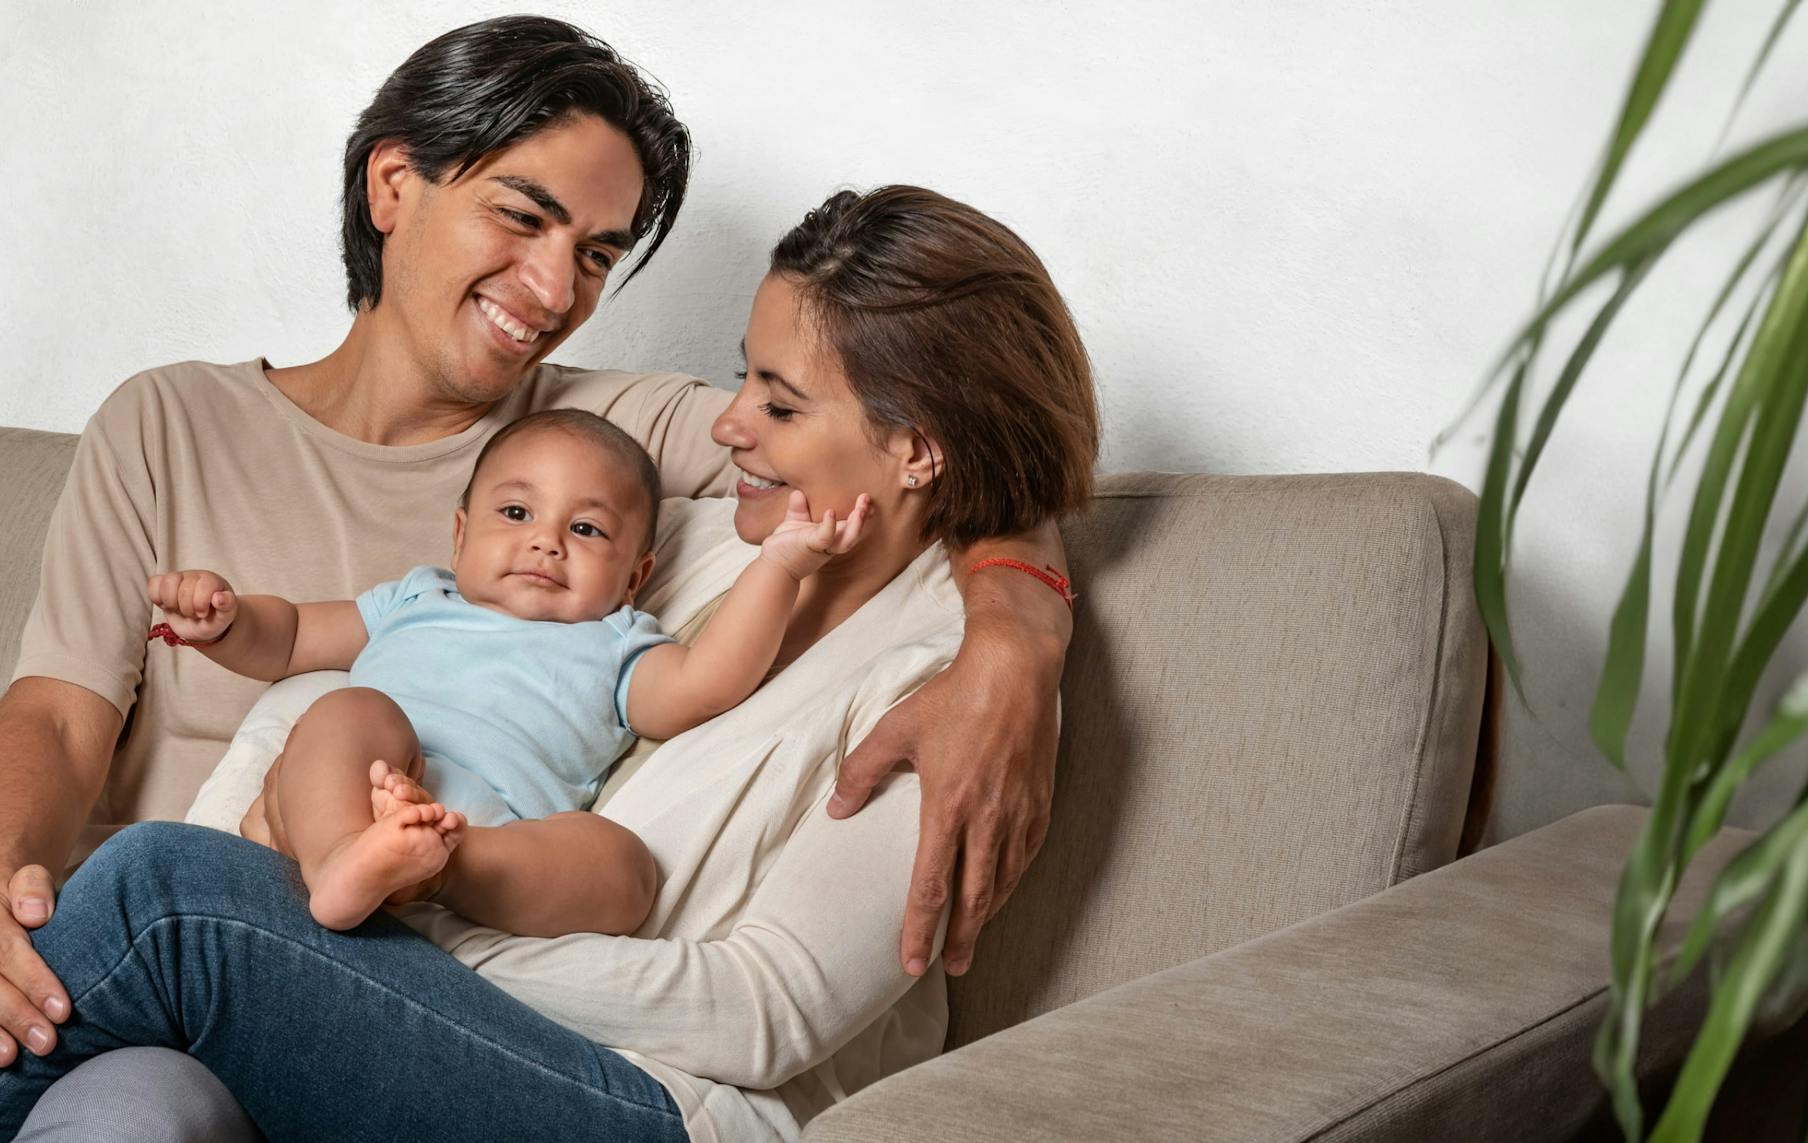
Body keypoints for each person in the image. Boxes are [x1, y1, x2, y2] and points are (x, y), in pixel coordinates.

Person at [0, 16, 1070, 1137]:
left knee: (168, 896)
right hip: (211, 999)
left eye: (600, 253)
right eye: (524, 215)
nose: (558, 287)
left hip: (424, 995)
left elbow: (967, 446)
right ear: (393, 186)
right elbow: (77, 718)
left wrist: (1014, 638)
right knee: (136, 1108)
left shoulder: (620, 453)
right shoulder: (170, 421)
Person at [146, 409, 872, 934]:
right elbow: (294, 634)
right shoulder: (418, 596)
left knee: (628, 868)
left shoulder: (618, 643)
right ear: (461, 535)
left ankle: (425, 866)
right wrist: (229, 619)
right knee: (348, 709)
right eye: (517, 511)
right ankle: (344, 859)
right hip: (362, 791)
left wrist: (781, 565)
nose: (545, 542)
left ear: (634, 575)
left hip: (487, 848)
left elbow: (710, 678)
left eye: (586, 529)